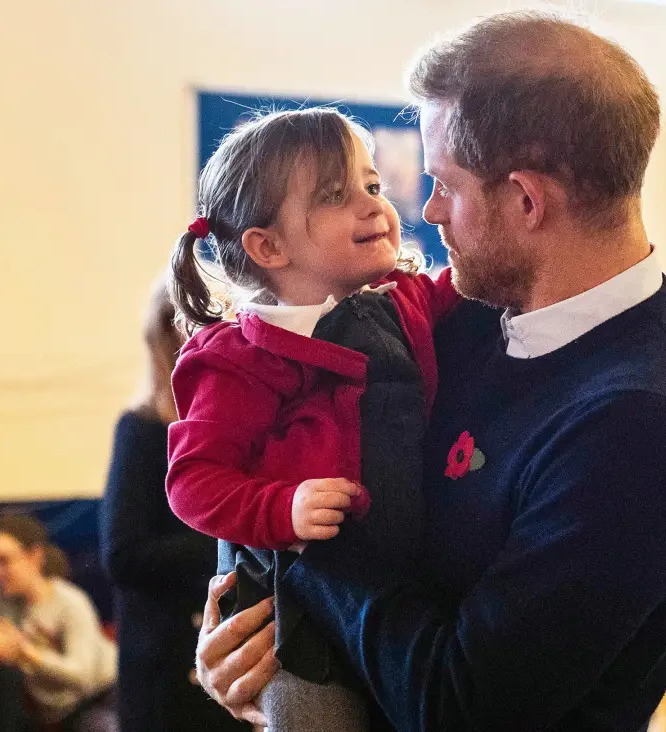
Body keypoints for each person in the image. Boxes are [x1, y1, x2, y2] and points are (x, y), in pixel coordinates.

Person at [192, 10, 666, 732]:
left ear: (526, 200)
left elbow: (457, 706)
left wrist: (297, 565)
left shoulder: (644, 423)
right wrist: (251, 647)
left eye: (442, 183)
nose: (429, 210)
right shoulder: (458, 320)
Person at [165, 107, 458, 731]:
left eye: (373, 186)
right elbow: (194, 482)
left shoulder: (405, 301)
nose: (374, 205)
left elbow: (476, 283)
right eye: (335, 195)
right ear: (268, 247)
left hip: (393, 594)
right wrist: (282, 506)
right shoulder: (241, 357)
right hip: (293, 611)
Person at [98, 281, 249, 732]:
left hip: (233, 649)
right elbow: (123, 554)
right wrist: (236, 539)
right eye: (182, 327)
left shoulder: (243, 425)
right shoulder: (143, 429)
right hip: (165, 659)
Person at [0, 514, 117, 731]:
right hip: (45, 706)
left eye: (3, 561)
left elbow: (83, 677)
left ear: (35, 556)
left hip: (99, 698)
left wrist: (27, 654)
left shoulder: (70, 602)